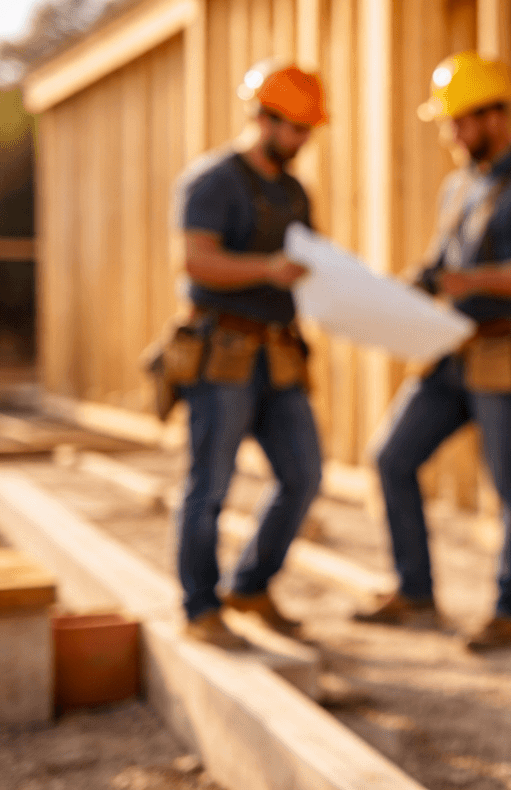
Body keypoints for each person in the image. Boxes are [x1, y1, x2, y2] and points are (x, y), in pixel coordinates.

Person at [354, 51, 511, 650]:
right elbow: (443, 264)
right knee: (390, 458)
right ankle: (415, 591)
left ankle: (509, 612)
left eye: (458, 122)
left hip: (506, 354)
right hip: (451, 354)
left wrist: (470, 283)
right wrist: (410, 286)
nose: (450, 135)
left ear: (494, 117)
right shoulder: (459, 185)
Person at [163, 61, 326, 648]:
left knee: (303, 473)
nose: (304, 141)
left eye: (309, 130)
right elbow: (196, 262)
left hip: (277, 355)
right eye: (296, 129)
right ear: (263, 119)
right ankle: (200, 608)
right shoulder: (212, 181)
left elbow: (305, 264)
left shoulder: (294, 193)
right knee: (209, 484)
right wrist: (265, 269)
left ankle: (250, 586)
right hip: (222, 354)